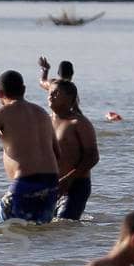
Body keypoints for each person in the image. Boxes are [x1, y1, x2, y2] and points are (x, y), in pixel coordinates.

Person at [0, 70, 64, 224]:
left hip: (25, 183)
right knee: (38, 235)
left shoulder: (2, 112)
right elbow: (57, 153)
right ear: (24, 89)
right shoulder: (42, 113)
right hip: (51, 184)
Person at [49, 81, 99, 220]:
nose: (50, 96)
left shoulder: (79, 123)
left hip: (76, 185)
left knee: (64, 224)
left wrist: (68, 179)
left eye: (56, 93)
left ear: (69, 98)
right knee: (42, 226)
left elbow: (93, 156)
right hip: (51, 184)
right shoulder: (45, 121)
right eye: (50, 93)